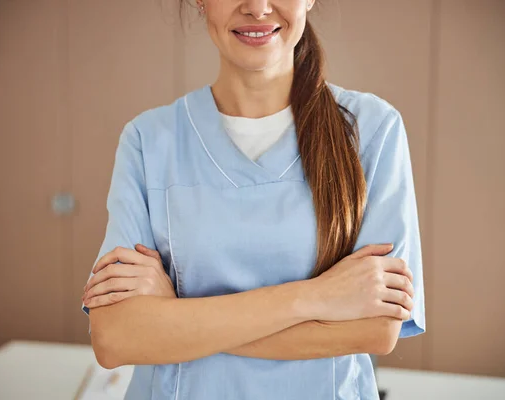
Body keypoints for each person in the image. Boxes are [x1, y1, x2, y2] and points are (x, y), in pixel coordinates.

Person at [80, 1, 425, 399]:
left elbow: (377, 330)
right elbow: (115, 338)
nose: (258, 8)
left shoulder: (371, 130)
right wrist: (317, 297)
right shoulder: (148, 140)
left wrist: (174, 316)